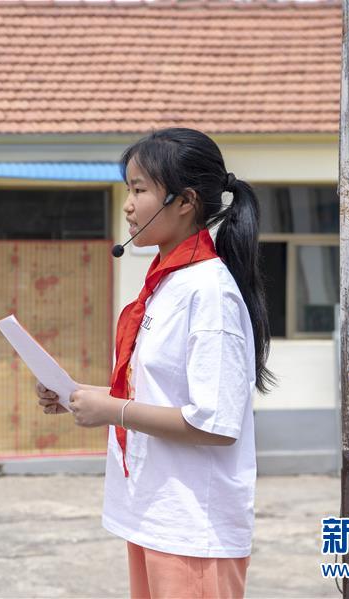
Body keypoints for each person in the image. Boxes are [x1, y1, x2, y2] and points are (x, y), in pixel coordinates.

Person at [36, 128, 275, 599]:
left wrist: (111, 411)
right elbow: (155, 394)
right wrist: (77, 395)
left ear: (184, 201)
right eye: (128, 189)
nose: (128, 205)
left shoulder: (210, 292)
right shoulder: (167, 284)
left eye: (140, 190)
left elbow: (214, 423)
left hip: (193, 527)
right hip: (153, 514)